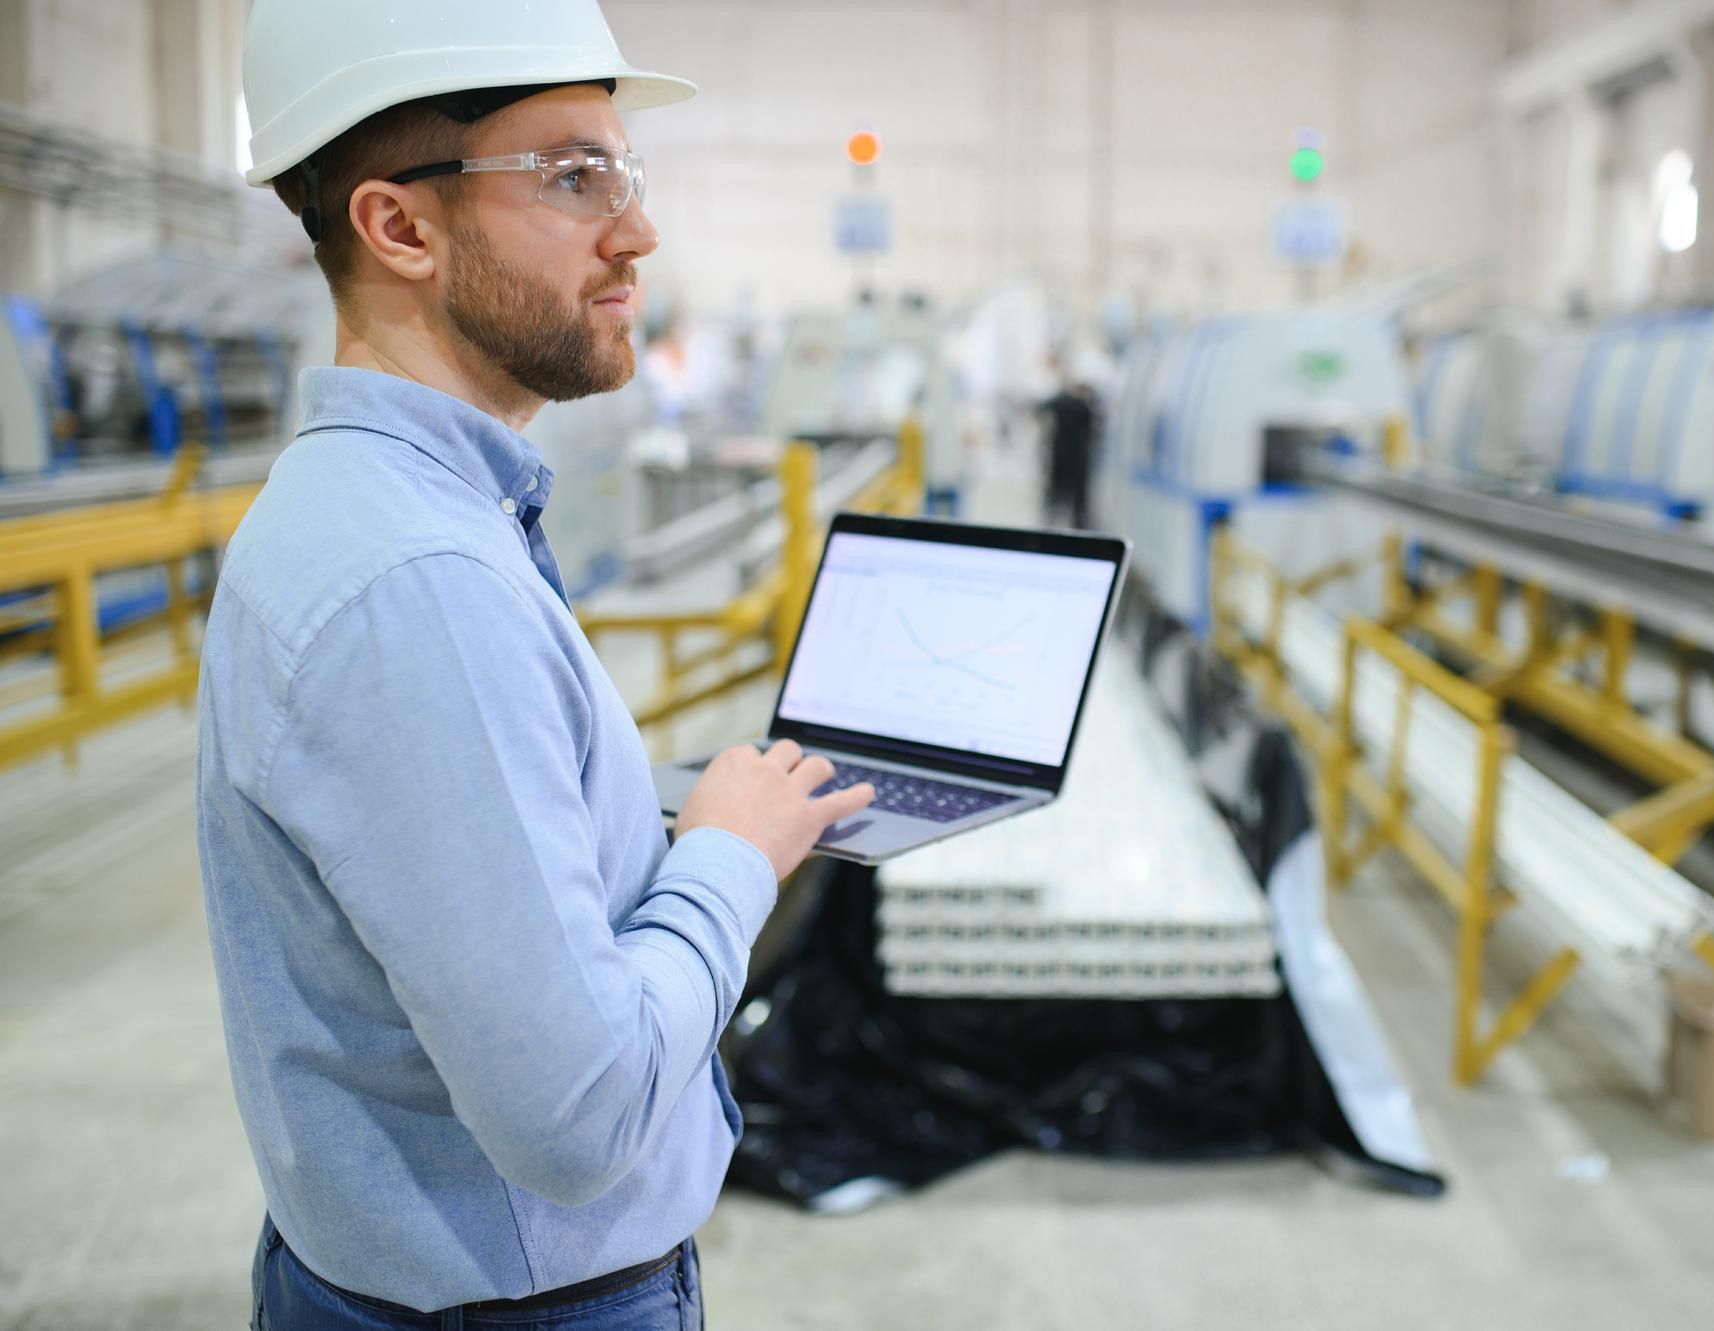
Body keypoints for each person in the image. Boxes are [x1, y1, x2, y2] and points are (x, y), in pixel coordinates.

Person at [202, 2, 874, 1326]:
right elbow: (580, 1114)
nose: (638, 231)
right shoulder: (417, 584)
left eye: (626, 173)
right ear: (400, 228)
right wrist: (730, 856)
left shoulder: (383, 511)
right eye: (575, 178)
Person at [1036, 373, 1098, 529]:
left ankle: (1050, 524)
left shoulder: (1059, 401)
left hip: (1059, 453)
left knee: (1055, 494)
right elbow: (1090, 434)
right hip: (1078, 457)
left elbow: (1040, 409)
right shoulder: (1084, 407)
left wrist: (1047, 430)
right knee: (1077, 498)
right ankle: (1077, 526)